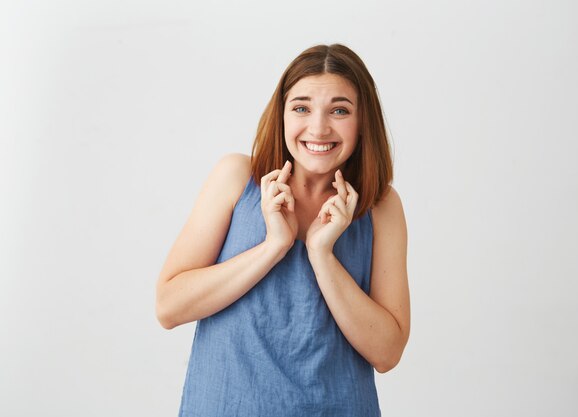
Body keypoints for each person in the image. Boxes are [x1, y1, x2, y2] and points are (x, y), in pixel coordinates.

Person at [156, 43, 410, 416]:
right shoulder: (237, 178)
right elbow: (168, 307)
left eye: (339, 110)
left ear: (362, 122)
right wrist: (274, 245)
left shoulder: (381, 207)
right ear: (283, 115)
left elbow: (387, 352)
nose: (319, 127)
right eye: (302, 108)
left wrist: (322, 255)